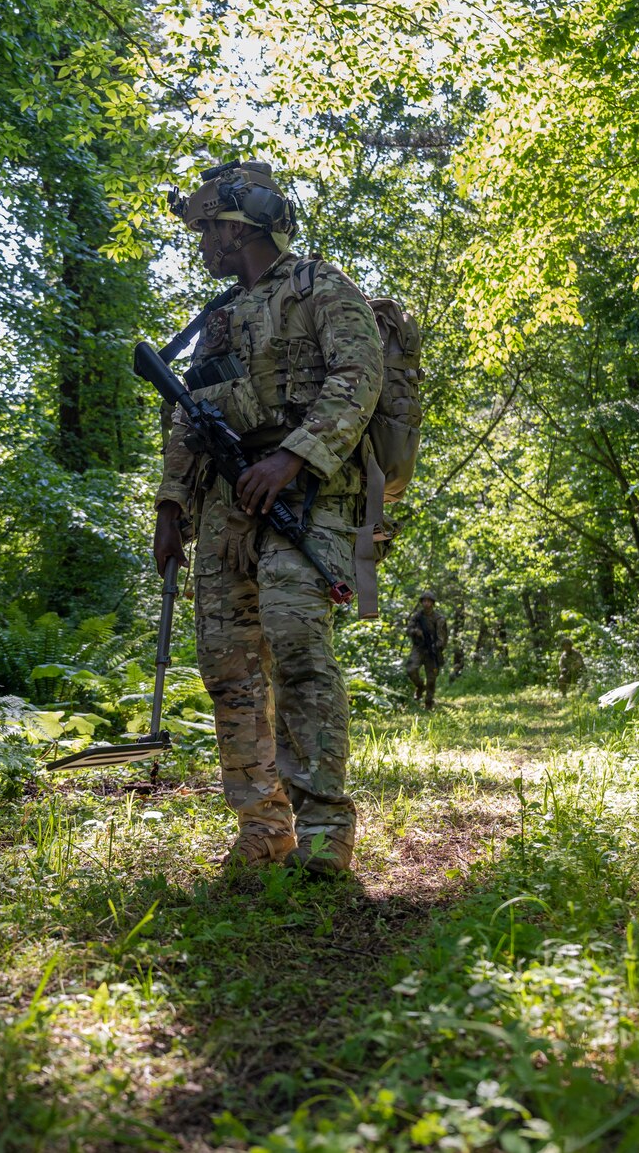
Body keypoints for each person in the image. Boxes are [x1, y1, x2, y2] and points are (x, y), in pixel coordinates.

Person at [151, 160, 382, 875]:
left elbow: (359, 376)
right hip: (225, 503)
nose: (201, 243)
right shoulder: (216, 317)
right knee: (227, 663)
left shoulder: (321, 287)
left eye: (207, 228)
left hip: (304, 495)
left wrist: (291, 458)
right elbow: (193, 417)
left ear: (237, 224)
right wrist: (170, 506)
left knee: (299, 648)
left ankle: (323, 827)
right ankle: (262, 823)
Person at [405, 592, 448, 709]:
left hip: (432, 651)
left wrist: (435, 647)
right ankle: (419, 686)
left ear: (432, 603)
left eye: (429, 601)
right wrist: (415, 632)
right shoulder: (417, 617)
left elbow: (442, 638)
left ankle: (428, 703)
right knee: (411, 669)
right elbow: (408, 630)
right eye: (424, 601)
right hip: (418, 648)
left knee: (431, 679)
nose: (426, 603)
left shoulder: (438, 619)